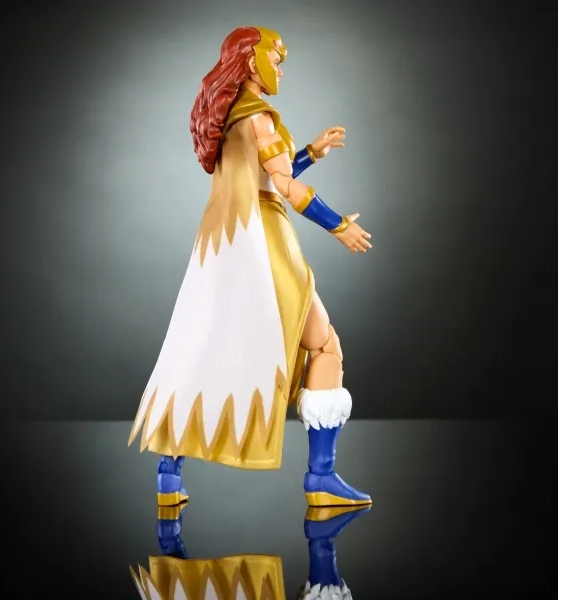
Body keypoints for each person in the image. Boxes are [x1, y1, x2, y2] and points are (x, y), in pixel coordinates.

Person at [128, 26, 373, 507]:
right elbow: (284, 187)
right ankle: (321, 479)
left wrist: (311, 153)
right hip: (263, 241)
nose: (280, 69)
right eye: (276, 60)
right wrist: (339, 225)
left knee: (202, 346)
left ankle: (168, 478)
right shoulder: (258, 116)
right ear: (252, 61)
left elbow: (266, 172)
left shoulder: (229, 115)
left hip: (224, 247)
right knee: (325, 345)